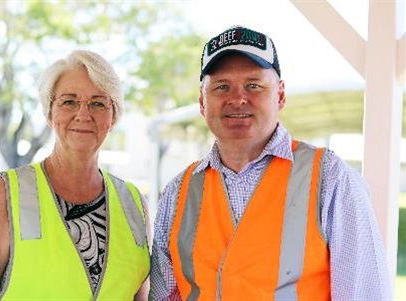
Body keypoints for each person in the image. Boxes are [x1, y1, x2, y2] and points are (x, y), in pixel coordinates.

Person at [149, 25, 392, 300]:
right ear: (202, 102)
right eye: (221, 87)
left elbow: (366, 294)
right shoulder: (178, 192)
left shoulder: (331, 178)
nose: (237, 98)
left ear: (280, 95)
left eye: (254, 85)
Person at [0, 50, 150, 300]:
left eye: (98, 103)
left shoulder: (134, 203)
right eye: (69, 101)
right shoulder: (5, 195)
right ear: (49, 113)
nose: (83, 114)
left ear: (113, 116)